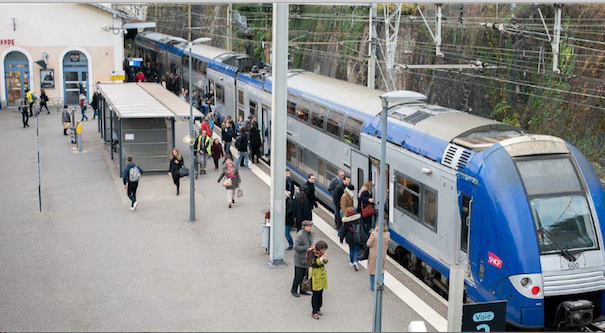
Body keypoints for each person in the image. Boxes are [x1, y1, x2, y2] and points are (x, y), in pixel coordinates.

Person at [291, 220, 314, 298]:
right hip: (300, 259)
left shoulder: (309, 234)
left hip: (306, 258)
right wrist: (306, 247)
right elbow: (296, 247)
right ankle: (294, 290)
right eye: (309, 226)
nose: (310, 228)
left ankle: (302, 289)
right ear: (305, 227)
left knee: (304, 276)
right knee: (298, 276)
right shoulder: (300, 235)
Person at [339, 207, 364, 271]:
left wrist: (341, 239)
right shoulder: (358, 219)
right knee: (356, 249)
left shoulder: (345, 221)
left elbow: (343, 231)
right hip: (357, 237)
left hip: (349, 238)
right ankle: (356, 261)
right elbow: (362, 227)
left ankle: (351, 261)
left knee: (351, 249)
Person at [309, 240, 329, 319]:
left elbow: (326, 262)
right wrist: (320, 259)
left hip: (322, 275)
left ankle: (318, 308)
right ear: (319, 248)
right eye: (323, 249)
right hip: (315, 275)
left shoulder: (322, 253)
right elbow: (312, 264)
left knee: (320, 293)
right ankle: (314, 311)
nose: (324, 251)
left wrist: (325, 258)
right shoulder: (312, 253)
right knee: (315, 294)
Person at [367, 224, 391, 291]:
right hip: (382, 255)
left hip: (373, 255)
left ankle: (372, 286)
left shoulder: (374, 234)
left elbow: (368, 243)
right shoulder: (387, 234)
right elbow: (389, 242)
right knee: (381, 269)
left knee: (372, 270)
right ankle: (381, 282)